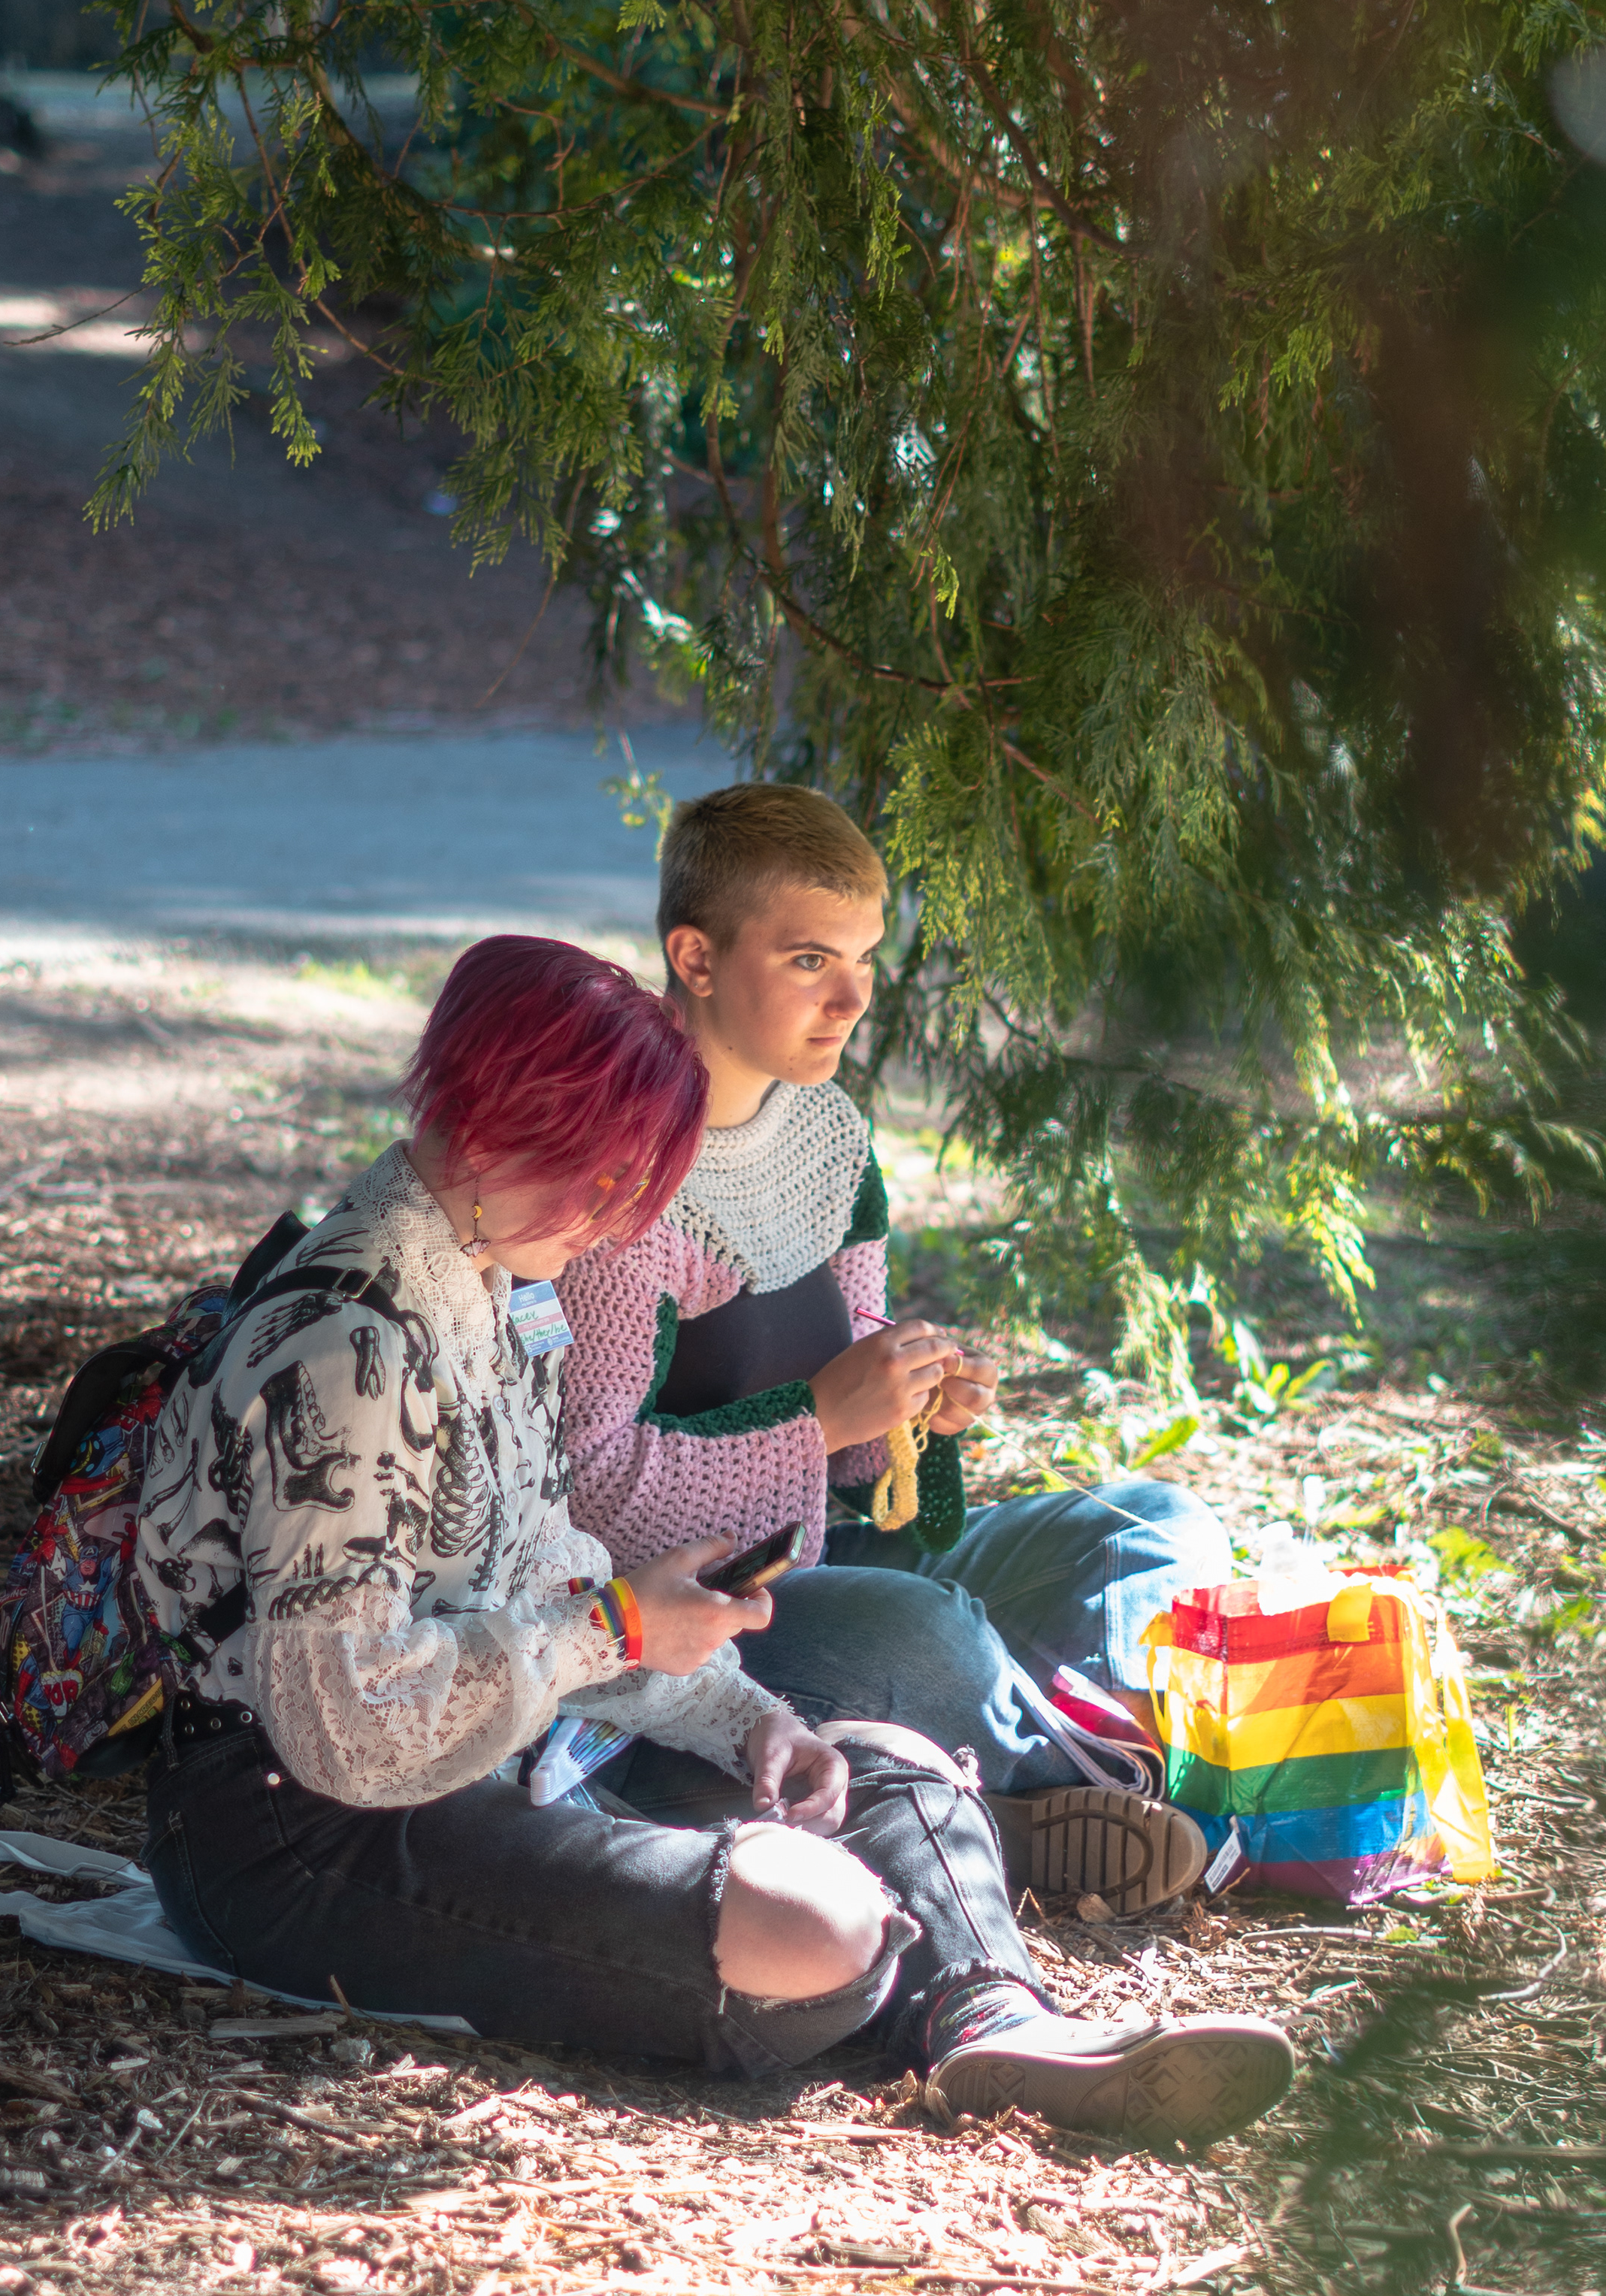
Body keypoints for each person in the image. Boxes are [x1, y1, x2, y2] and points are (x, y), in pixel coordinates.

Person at [131, 932, 1295, 2148]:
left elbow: (546, 1578)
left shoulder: (489, 1274)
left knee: (880, 1761)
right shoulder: (351, 1347)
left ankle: (991, 2020)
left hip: (487, 1751)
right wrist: (615, 1628)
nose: (614, 1224)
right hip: (296, 1829)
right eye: (603, 1183)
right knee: (818, 1922)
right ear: (493, 1123)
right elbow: (342, 1726)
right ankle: (891, 1948)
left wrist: (747, 1722)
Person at [554, 785, 1229, 1912]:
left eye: (865, 958)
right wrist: (820, 1419)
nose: (856, 999)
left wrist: (909, 1408)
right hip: (695, 1633)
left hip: (829, 1567)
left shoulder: (830, 1135)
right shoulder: (623, 1177)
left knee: (1155, 1527)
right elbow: (591, 1489)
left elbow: (853, 1416)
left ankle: (994, 1766)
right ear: (697, 958)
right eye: (811, 960)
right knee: (928, 1632)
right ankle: (1046, 1782)